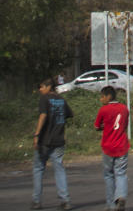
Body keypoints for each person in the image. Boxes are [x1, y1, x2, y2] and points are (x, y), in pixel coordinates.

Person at [32, 75, 73, 210]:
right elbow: (68, 114)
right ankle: (65, 200)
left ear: (48, 87)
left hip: (45, 140)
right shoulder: (61, 99)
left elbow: (43, 115)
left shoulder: (44, 99)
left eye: (41, 87)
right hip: (59, 140)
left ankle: (37, 201)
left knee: (38, 169)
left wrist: (37, 134)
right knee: (59, 170)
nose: (40, 90)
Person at [94, 86, 130, 211]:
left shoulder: (103, 110)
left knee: (109, 175)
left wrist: (103, 127)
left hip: (108, 146)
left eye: (102, 96)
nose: (101, 99)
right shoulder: (124, 108)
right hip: (122, 145)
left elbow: (97, 126)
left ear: (109, 97)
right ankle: (121, 196)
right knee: (121, 173)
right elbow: (124, 125)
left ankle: (111, 204)